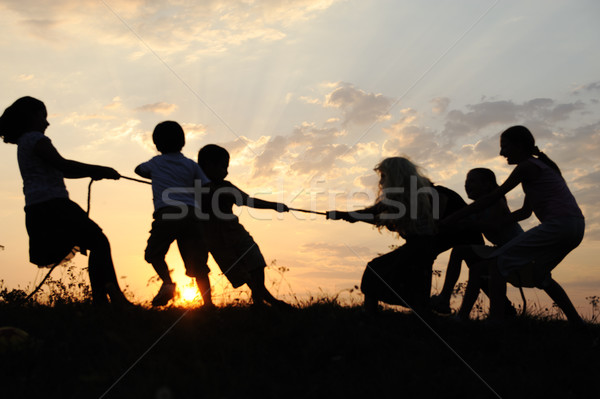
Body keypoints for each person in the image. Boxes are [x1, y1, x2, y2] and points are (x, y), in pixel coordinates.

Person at [442, 126, 585, 326]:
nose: (501, 153)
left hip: (559, 225)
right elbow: (526, 212)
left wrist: (453, 218)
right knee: (539, 276)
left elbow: (493, 196)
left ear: (519, 146)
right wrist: (497, 223)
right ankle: (578, 324)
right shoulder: (540, 169)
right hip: (576, 227)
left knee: (497, 264)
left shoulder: (527, 166)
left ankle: (497, 321)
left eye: (505, 146)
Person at [0, 96, 131, 306]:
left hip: (38, 209)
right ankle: (111, 300)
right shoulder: (35, 139)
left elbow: (63, 170)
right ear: (32, 117)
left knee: (96, 242)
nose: (47, 123)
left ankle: (104, 301)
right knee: (99, 241)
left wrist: (94, 172)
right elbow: (64, 166)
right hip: (54, 205)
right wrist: (99, 170)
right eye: (43, 117)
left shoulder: (24, 144)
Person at [327, 156, 482, 313]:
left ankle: (373, 316)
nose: (381, 182)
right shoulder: (404, 196)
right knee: (384, 273)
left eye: (384, 176)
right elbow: (375, 213)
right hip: (427, 244)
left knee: (376, 271)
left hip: (440, 240)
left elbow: (431, 228)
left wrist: (349, 216)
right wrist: (345, 215)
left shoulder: (430, 194)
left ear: (396, 176)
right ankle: (418, 313)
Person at [196, 144, 292, 308]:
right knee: (242, 274)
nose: (226, 171)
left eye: (227, 167)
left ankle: (261, 302)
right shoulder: (194, 187)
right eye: (223, 166)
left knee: (256, 260)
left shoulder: (227, 187)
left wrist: (273, 205)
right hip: (216, 240)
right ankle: (268, 302)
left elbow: (248, 201)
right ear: (207, 165)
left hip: (236, 233)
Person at [135, 121, 213, 308]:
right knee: (198, 264)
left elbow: (138, 169)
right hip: (192, 215)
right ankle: (208, 304)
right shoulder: (191, 165)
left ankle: (168, 283)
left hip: (167, 214)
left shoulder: (155, 163)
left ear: (157, 144)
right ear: (183, 142)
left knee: (153, 254)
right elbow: (206, 185)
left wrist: (155, 177)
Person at [430, 168, 523, 315]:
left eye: (472, 181)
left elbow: (493, 225)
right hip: (500, 249)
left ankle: (450, 303)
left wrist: (464, 223)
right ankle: (447, 301)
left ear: (487, 185)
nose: (467, 184)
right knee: (462, 255)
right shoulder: (478, 207)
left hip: (515, 250)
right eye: (466, 181)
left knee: (469, 262)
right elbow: (464, 221)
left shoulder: (496, 201)